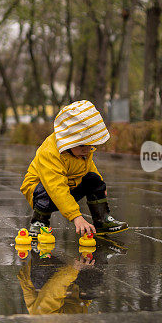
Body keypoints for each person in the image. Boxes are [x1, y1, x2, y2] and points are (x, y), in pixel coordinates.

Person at [19, 100, 128, 239]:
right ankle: (39, 221)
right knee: (46, 189)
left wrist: (99, 186)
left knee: (93, 179)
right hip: (40, 191)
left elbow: (90, 168)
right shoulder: (50, 152)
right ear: (68, 139)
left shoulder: (84, 151)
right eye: (82, 145)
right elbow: (56, 187)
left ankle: (102, 219)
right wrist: (76, 217)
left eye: (90, 145)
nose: (87, 150)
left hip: (69, 187)